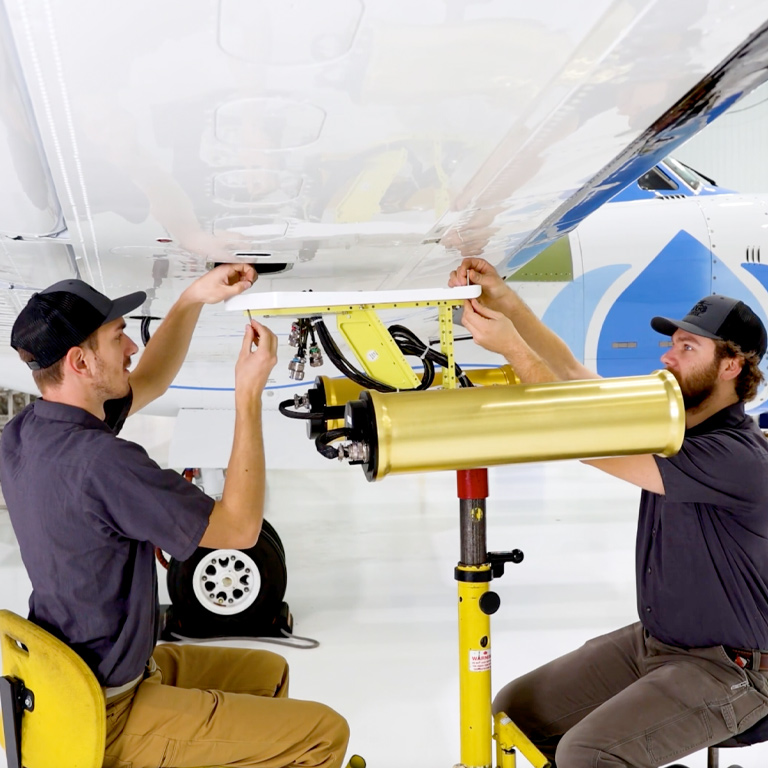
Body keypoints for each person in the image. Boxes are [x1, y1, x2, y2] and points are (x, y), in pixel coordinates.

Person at [0, 264, 350, 768]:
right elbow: (239, 529)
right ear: (79, 361)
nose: (131, 347)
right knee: (323, 734)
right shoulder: (103, 463)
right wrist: (247, 396)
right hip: (107, 713)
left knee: (268, 675)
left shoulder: (28, 432)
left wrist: (192, 299)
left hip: (79, 679)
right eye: (117, 337)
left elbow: (150, 380)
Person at [448, 256, 768, 768]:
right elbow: (573, 376)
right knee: (518, 711)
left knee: (588, 754)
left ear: (731, 366)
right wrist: (505, 301)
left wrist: (511, 348)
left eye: (688, 347)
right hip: (657, 643)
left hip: (731, 670)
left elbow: (586, 435)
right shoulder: (672, 421)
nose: (668, 356)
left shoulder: (735, 456)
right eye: (672, 342)